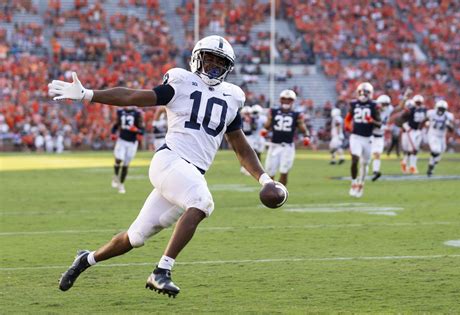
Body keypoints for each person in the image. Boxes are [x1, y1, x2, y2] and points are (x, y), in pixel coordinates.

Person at [48, 35, 281, 298]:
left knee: (134, 238)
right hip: (170, 160)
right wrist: (89, 95)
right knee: (202, 202)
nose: (214, 65)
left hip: (188, 174)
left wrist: (265, 180)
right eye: (209, 59)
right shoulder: (181, 81)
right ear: (197, 58)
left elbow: (241, 147)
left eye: (220, 62)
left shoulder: (232, 97)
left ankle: (85, 260)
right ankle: (162, 271)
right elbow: (134, 96)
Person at [261, 89, 311, 187]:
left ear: (293, 101)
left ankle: (281, 193)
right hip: (274, 145)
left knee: (284, 171)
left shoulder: (296, 114)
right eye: (284, 99)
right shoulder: (274, 111)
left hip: (287, 147)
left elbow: (303, 127)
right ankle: (270, 193)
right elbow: (267, 126)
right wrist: (265, 129)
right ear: (280, 100)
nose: (286, 101)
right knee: (270, 172)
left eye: (289, 99)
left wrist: (306, 136)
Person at [344, 82, 381, 198]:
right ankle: (354, 183)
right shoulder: (354, 104)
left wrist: (372, 121)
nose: (363, 94)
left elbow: (379, 124)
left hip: (368, 138)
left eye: (366, 92)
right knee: (355, 158)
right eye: (361, 92)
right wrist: (348, 125)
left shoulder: (374, 105)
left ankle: (361, 183)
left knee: (364, 164)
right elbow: (348, 118)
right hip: (356, 137)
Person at [111, 106, 144, 194]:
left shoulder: (137, 113)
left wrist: (136, 129)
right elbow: (116, 125)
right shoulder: (120, 112)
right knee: (119, 159)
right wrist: (113, 133)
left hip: (132, 143)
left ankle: (121, 184)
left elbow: (142, 131)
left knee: (126, 164)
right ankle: (115, 176)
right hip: (121, 140)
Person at [399, 94, 427, 174]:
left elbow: (424, 119)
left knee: (414, 149)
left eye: (419, 102)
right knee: (413, 150)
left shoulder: (424, 109)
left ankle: (405, 163)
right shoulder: (411, 109)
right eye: (417, 102)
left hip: (418, 131)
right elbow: (401, 118)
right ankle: (412, 167)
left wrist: (423, 127)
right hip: (411, 131)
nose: (418, 104)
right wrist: (405, 125)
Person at [426, 100, 454, 176]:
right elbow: (424, 120)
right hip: (433, 134)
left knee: (438, 157)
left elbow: (452, 130)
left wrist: (449, 125)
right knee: (436, 150)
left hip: (442, 137)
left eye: (442, 109)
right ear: (436, 108)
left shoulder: (448, 116)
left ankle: (431, 166)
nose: (441, 110)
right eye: (439, 108)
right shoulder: (431, 113)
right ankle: (431, 166)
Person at [370, 94, 393, 181]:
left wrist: (405, 98)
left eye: (386, 104)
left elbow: (399, 108)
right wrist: (382, 126)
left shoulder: (389, 109)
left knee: (377, 154)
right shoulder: (373, 110)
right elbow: (371, 122)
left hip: (380, 136)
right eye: (383, 104)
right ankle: (363, 173)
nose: (385, 106)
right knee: (367, 156)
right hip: (371, 135)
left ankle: (376, 172)